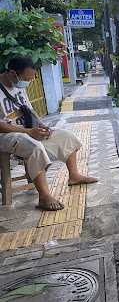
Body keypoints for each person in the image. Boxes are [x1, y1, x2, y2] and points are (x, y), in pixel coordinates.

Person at [0, 57, 98, 211]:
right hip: (6, 135)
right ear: (13, 73)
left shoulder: (19, 87)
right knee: (35, 147)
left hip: (28, 130)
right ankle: (44, 196)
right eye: (26, 79)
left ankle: (74, 176)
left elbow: (29, 110)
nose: (27, 82)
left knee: (66, 136)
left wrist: (42, 126)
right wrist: (28, 132)